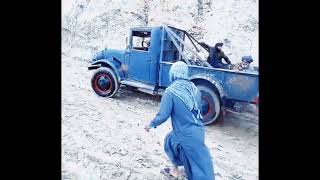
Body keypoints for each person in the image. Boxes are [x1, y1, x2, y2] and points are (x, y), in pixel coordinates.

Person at [144, 61, 215, 180]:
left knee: (196, 170)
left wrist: (150, 124)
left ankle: (176, 170)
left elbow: (163, 115)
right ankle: (174, 170)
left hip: (184, 134)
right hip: (198, 131)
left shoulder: (171, 92)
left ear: (173, 73)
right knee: (173, 141)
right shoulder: (195, 89)